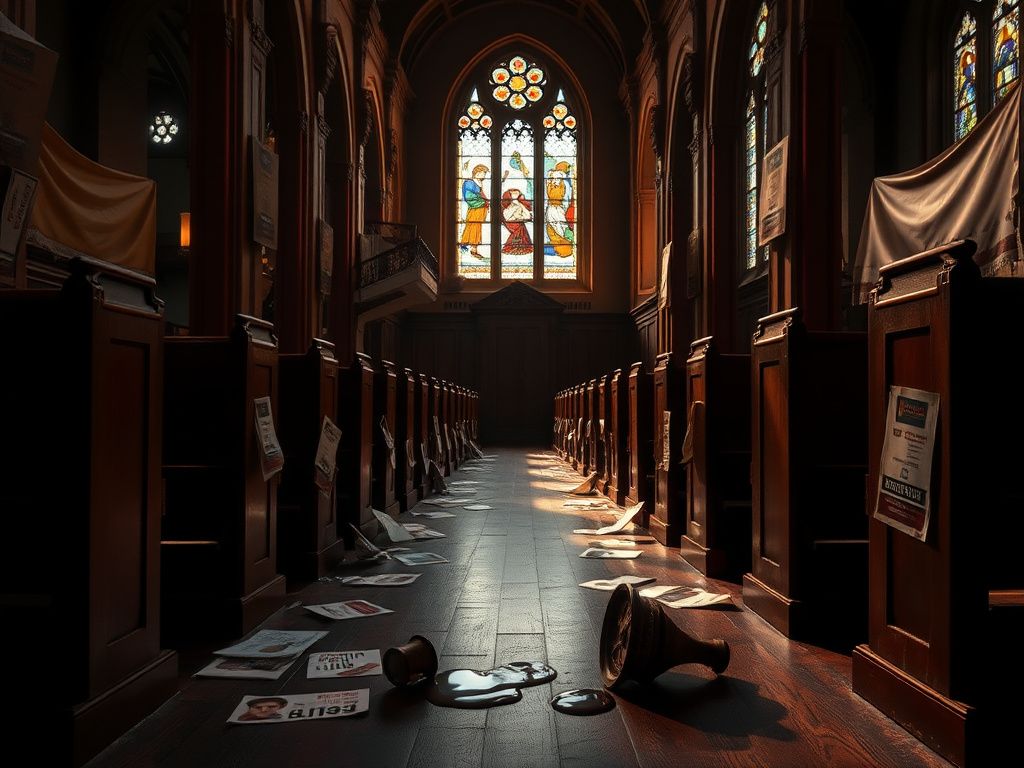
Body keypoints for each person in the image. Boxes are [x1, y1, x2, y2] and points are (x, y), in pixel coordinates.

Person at [545, 161, 575, 257]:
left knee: (560, 227)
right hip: (550, 209)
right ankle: (557, 244)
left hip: (559, 209)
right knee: (551, 226)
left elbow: (567, 197)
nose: (554, 180)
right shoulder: (549, 184)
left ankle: (563, 246)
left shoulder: (564, 184)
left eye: (557, 178)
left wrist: (564, 208)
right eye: (553, 178)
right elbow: (546, 197)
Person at [459, 164, 489, 258]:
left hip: (480, 209)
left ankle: (467, 246)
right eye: (483, 173)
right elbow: (469, 197)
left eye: (485, 173)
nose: (484, 175)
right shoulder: (469, 183)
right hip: (475, 209)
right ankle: (473, 249)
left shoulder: (479, 182)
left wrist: (485, 202)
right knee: (473, 226)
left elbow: (481, 196)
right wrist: (483, 202)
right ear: (477, 173)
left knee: (475, 227)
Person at [500, 188, 532, 254]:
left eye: (517, 193)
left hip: (518, 221)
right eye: (514, 193)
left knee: (521, 226)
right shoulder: (508, 205)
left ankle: (518, 245)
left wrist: (520, 217)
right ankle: (516, 246)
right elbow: (507, 217)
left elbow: (527, 216)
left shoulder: (519, 204)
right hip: (509, 222)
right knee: (520, 227)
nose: (516, 194)